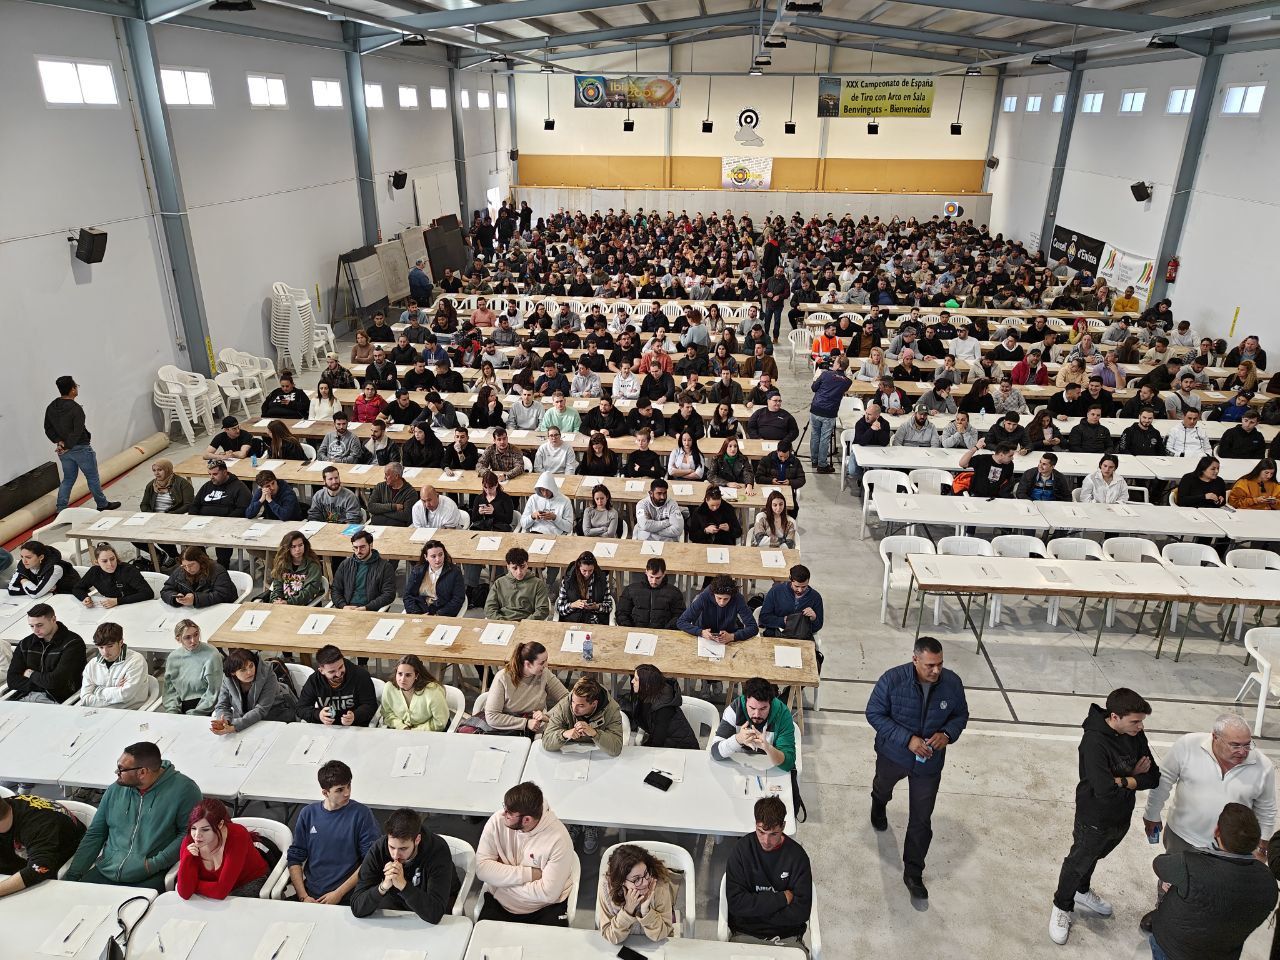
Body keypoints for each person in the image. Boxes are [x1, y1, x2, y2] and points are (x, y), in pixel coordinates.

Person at [1142, 714, 1276, 936]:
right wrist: (1152, 814)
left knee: (1217, 893)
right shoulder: (1188, 746)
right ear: (1215, 737)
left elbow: (1267, 809)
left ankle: (1202, 927)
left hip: (1229, 849)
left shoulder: (1262, 766)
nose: (1243, 751)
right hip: (1182, 835)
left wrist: (1261, 848)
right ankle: (1163, 913)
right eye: (1235, 745)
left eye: (1247, 745)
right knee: (1171, 881)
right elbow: (1163, 780)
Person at [1049, 688, 1160, 945]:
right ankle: (1061, 905)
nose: (1140, 726)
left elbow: (1153, 775)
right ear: (1115, 717)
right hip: (1094, 816)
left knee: (1096, 855)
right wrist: (1134, 775)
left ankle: (1081, 890)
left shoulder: (1135, 734)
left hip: (1121, 814)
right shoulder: (1094, 742)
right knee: (1079, 859)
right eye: (1135, 721)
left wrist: (1123, 778)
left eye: (1142, 721)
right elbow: (1103, 789)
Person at [866, 636, 970, 901]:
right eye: (930, 665)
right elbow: (874, 713)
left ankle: (913, 872)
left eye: (940, 664)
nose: (936, 671)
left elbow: (961, 715)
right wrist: (907, 739)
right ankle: (879, 802)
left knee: (921, 819)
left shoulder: (952, 683)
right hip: (894, 755)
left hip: (929, 764)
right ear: (915, 660)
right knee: (883, 784)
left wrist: (947, 734)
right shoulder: (892, 680)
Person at [64, 740, 202, 890]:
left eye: (121, 769)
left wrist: (154, 864)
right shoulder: (115, 790)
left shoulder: (185, 790)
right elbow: (96, 833)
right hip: (107, 870)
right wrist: (73, 876)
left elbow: (188, 834)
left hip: (149, 876)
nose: (117, 773)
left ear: (142, 772)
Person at [1151, 804, 1277, 960]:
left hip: (1173, 947)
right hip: (1222, 953)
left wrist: (1201, 852)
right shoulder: (1269, 883)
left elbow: (1159, 864)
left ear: (1217, 831)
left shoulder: (1191, 865)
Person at [475, 781, 576, 925]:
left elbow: (548, 894)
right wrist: (530, 874)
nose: (503, 813)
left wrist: (500, 879)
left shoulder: (559, 840)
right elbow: (482, 869)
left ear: (526, 819)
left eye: (509, 812)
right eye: (505, 807)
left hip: (545, 908)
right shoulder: (497, 821)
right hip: (500, 903)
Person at [725, 795, 813, 952]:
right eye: (761, 832)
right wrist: (782, 898)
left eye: (773, 834)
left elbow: (801, 911)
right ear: (755, 825)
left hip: (787, 936)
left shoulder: (798, 857)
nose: (766, 840)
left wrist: (754, 911)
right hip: (745, 933)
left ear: (783, 826)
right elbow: (736, 904)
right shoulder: (741, 851)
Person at [287, 760, 381, 905]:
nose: (347, 793)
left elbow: (370, 861)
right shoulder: (308, 814)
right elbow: (295, 857)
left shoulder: (362, 814)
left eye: (349, 785)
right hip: (311, 896)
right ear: (325, 792)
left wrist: (339, 893)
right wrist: (303, 897)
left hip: (349, 896)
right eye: (340, 790)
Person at [351, 807, 460, 922]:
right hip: (397, 908)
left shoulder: (437, 850)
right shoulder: (378, 850)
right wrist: (383, 887)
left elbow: (435, 914)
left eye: (403, 848)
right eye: (392, 847)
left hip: (433, 907)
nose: (395, 855)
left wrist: (403, 885)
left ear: (417, 840)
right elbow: (357, 907)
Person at [44, 375, 121, 511]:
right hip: (81, 449)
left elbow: (48, 428)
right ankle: (102, 505)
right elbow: (77, 432)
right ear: (72, 390)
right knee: (92, 478)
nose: (77, 388)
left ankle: (61, 509)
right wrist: (67, 446)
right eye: (76, 386)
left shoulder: (51, 406)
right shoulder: (76, 409)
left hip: (63, 451)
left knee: (68, 479)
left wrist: (60, 442)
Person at [176, 797, 268, 900]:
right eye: (193, 828)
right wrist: (186, 857)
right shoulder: (189, 842)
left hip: (248, 882)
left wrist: (193, 885)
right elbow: (184, 893)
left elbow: (220, 892)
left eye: (205, 830)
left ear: (220, 824)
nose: (197, 836)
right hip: (212, 892)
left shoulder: (238, 836)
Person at [0, 793, 87, 899]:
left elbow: (41, 868)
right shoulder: (7, 807)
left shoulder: (37, 825)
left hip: (60, 862)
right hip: (31, 853)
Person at [596, 842, 680, 944]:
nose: (645, 882)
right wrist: (627, 910)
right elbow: (610, 935)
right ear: (621, 881)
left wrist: (646, 911)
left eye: (645, 873)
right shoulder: (607, 888)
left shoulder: (658, 884)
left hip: (656, 945)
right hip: (624, 945)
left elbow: (664, 933)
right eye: (636, 879)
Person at [710, 675, 794, 771]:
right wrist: (737, 739)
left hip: (770, 768)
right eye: (752, 708)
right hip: (738, 765)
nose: (757, 714)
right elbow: (715, 753)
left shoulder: (782, 714)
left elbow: (789, 763)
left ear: (771, 703)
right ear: (745, 701)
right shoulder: (735, 709)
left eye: (763, 708)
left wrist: (768, 748)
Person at [5, 603, 83, 704]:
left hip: (56, 700)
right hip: (22, 697)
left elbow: (55, 681)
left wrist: (30, 674)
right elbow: (12, 680)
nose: (35, 630)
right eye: (32, 626)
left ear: (53, 619)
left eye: (39, 625)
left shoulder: (73, 643)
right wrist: (44, 684)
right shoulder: (25, 643)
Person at [211, 648, 296, 732]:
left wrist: (235, 726)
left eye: (251, 666)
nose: (249, 672)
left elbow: (261, 709)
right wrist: (225, 721)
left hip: (276, 717)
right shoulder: (227, 679)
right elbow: (222, 705)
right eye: (243, 670)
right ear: (233, 673)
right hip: (247, 721)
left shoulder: (268, 675)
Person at [617, 663, 699, 750]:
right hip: (665, 743)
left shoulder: (663, 709)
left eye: (636, 679)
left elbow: (657, 743)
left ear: (647, 685)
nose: (632, 681)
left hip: (681, 749)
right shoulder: (648, 693)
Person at [295, 644, 378, 727]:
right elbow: (301, 708)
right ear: (321, 671)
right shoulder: (314, 681)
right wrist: (318, 714)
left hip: (356, 727)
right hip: (326, 728)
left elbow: (370, 705)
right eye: (332, 672)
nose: (338, 674)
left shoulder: (360, 675)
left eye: (341, 667)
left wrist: (355, 716)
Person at [188, 459, 251, 568]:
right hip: (203, 523)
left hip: (226, 525)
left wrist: (222, 522)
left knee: (222, 542)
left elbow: (242, 509)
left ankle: (222, 567)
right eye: (210, 474)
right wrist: (194, 519)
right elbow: (195, 504)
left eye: (215, 474)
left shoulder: (239, 487)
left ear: (225, 472)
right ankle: (205, 564)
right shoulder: (207, 486)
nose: (211, 477)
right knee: (189, 540)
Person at [135, 459, 194, 569]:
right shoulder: (151, 485)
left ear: (167, 470)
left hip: (175, 517)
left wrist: (170, 515)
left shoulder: (182, 483)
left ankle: (174, 556)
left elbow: (188, 504)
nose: (156, 473)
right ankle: (158, 554)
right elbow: (144, 504)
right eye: (154, 470)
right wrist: (151, 515)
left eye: (160, 470)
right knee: (134, 536)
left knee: (161, 536)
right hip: (155, 517)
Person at [79, 622, 149, 710]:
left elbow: (124, 695)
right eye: (101, 647)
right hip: (97, 712)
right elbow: (85, 699)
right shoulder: (92, 665)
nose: (105, 652)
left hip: (130, 711)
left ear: (121, 642)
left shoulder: (136, 661)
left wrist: (97, 690)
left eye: (110, 646)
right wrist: (115, 689)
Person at [759, 564, 824, 660]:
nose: (800, 590)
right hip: (776, 636)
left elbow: (817, 627)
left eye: (804, 587)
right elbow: (763, 618)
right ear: (790, 580)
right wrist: (782, 621)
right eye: (796, 586)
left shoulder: (815, 597)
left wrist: (814, 618)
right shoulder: (776, 591)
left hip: (802, 639)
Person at [680, 575, 759, 651]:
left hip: (729, 636)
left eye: (726, 599)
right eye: (719, 598)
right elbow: (681, 622)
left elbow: (753, 628)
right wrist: (701, 632)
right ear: (713, 594)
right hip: (704, 636)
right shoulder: (704, 597)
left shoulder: (738, 599)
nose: (721, 602)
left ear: (731, 596)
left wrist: (732, 636)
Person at [162, 620, 222, 715]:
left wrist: (195, 713)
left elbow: (213, 692)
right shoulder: (173, 658)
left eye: (196, 634)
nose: (193, 640)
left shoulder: (212, 654)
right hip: (182, 706)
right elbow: (170, 691)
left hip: (206, 707)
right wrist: (172, 711)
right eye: (187, 637)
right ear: (178, 639)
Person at [378, 655, 449, 732]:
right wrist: (402, 727)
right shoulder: (389, 687)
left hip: (429, 733)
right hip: (400, 731)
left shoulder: (433, 691)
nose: (402, 679)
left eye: (408, 675)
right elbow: (387, 714)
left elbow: (440, 722)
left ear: (416, 675)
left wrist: (414, 731)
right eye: (400, 674)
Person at [331, 531, 397, 611]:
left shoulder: (385, 567)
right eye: (355, 547)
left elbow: (389, 594)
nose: (358, 551)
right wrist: (343, 605)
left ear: (371, 545)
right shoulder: (345, 565)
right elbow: (336, 589)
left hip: (370, 610)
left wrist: (367, 608)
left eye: (362, 547)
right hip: (347, 608)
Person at [74, 542, 152, 608]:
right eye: (104, 561)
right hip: (111, 608)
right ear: (96, 562)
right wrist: (84, 598)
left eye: (112, 559)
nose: (110, 564)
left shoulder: (128, 570)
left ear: (116, 558)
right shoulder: (94, 572)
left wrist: (118, 601)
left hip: (135, 605)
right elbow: (77, 588)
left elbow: (148, 593)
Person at [485, 548, 552, 623]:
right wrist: (502, 622)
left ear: (527, 565)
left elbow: (542, 610)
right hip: (503, 623)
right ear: (508, 567)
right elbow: (489, 608)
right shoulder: (499, 583)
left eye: (522, 567)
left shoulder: (538, 584)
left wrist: (525, 623)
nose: (519, 572)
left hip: (527, 624)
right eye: (514, 568)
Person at [810, 355, 851, 473]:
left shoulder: (825, 374)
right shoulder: (847, 382)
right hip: (830, 412)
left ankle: (814, 460)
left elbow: (814, 388)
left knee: (815, 435)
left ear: (838, 365)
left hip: (816, 408)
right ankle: (822, 464)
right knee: (824, 438)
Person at [161, 545, 237, 608]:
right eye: (184, 566)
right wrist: (175, 598)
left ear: (200, 561)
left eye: (191, 565)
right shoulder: (180, 571)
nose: (188, 569)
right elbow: (165, 590)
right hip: (194, 611)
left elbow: (223, 595)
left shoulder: (217, 571)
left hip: (218, 609)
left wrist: (196, 599)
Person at [403, 540, 465, 616]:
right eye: (433, 556)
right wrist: (416, 613)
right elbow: (408, 595)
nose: (438, 559)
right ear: (426, 557)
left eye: (440, 555)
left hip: (442, 613)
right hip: (420, 611)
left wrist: (439, 614)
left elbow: (458, 599)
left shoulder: (455, 572)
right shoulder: (417, 570)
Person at [555, 551, 613, 625]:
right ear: (579, 567)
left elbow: (609, 606)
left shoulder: (602, 580)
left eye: (590, 570)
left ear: (594, 568)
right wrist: (572, 605)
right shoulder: (567, 581)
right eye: (584, 571)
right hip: (573, 621)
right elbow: (560, 609)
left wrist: (596, 606)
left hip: (596, 621)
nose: (587, 574)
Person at [7, 539, 79, 598]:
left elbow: (35, 593)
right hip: (49, 598)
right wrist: (43, 590)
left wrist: (24, 581)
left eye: (28, 557)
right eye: (22, 557)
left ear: (41, 557)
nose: (24, 561)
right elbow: (11, 589)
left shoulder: (55, 568)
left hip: (71, 597)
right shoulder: (24, 564)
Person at [520, 471, 575, 536]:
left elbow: (569, 527)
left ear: (552, 488)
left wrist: (555, 518)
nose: (545, 494)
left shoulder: (565, 501)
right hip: (535, 533)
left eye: (547, 490)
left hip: (555, 536)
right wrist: (533, 516)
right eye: (542, 490)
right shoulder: (533, 499)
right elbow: (523, 524)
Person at [365, 462, 416, 527]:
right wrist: (393, 507)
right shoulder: (380, 487)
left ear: (396, 476)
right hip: (378, 528)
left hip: (398, 530)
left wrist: (380, 512)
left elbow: (406, 516)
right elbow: (371, 507)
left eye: (387, 475)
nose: (384, 477)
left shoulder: (410, 493)